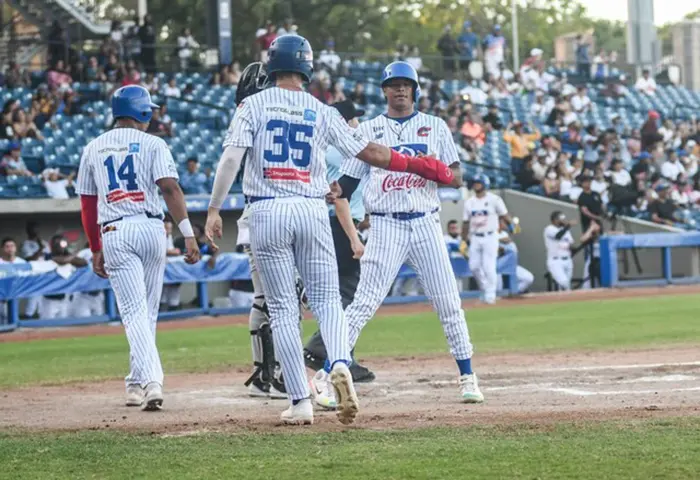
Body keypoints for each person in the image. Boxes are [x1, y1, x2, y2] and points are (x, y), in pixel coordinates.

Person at [204, 39, 451, 426]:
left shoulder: (252, 105)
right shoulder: (321, 110)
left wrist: (215, 209)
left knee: (284, 309)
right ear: (307, 68)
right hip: (311, 209)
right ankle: (338, 363)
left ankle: (300, 402)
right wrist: (417, 165)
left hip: (266, 209)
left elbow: (231, 158)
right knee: (328, 301)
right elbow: (371, 153)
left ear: (271, 66)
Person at [312, 60, 481, 410]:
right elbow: (347, 183)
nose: (400, 90)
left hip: (425, 222)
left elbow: (458, 176)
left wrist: (440, 173)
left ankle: (467, 376)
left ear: (415, 90)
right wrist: (329, 190)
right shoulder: (371, 128)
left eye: (406, 84)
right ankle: (326, 375)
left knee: (448, 301)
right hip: (386, 223)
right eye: (394, 85)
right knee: (363, 304)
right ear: (384, 90)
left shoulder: (434, 126)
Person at [76, 85, 201, 411]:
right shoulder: (154, 143)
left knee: (134, 314)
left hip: (115, 229)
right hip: (151, 228)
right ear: (142, 111)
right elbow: (170, 189)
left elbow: (88, 205)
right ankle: (137, 382)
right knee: (147, 312)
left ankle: (150, 381)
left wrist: (94, 246)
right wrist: (187, 233)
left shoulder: (93, 146)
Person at [303, 99, 376, 389]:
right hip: (339, 225)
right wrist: (354, 238)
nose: (357, 123)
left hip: (338, 223)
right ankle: (325, 350)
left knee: (342, 293)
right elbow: (341, 199)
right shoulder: (340, 151)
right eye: (353, 119)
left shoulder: (329, 150)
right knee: (347, 293)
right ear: (343, 121)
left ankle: (341, 355)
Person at [462, 175, 513, 304]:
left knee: (488, 266)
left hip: (490, 235)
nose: (476, 185)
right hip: (475, 236)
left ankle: (490, 295)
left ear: (485, 183)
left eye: (479, 182)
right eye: (475, 182)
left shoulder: (494, 199)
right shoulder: (469, 202)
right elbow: (466, 222)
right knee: (473, 266)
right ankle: (484, 288)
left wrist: (512, 226)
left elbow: (504, 215)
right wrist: (463, 240)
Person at [544, 211, 600, 290]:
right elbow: (558, 236)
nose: (564, 220)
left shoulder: (566, 231)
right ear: (555, 220)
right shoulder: (549, 229)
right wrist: (569, 225)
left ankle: (561, 300)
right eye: (561, 219)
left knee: (566, 286)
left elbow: (571, 245)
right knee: (564, 282)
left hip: (567, 260)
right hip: (555, 261)